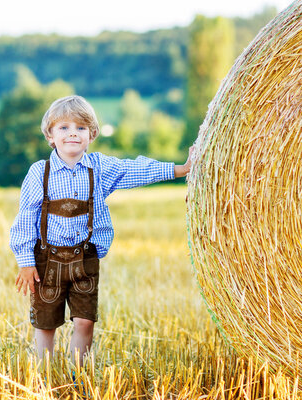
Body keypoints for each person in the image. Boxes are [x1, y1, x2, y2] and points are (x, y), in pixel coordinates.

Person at [10, 95, 193, 365]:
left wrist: (181, 169)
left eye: (80, 128)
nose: (73, 133)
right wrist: (25, 262)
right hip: (46, 261)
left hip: (85, 259)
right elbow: (25, 217)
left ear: (91, 134)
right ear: (50, 135)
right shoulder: (40, 172)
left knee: (85, 321)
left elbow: (138, 169)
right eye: (64, 128)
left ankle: (76, 375)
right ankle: (44, 375)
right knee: (45, 323)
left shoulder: (101, 168)